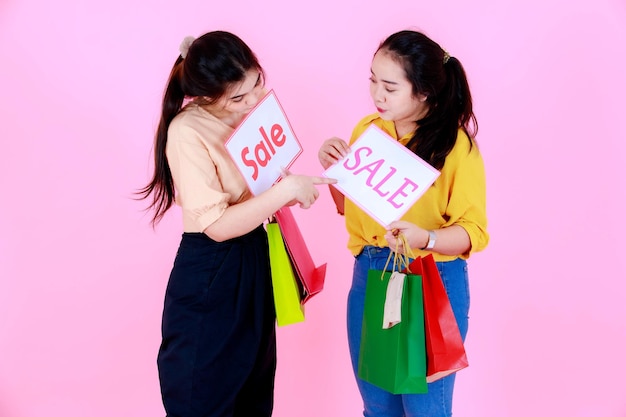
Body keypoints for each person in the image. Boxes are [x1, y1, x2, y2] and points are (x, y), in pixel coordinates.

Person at [138, 31, 336, 417]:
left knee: (253, 391)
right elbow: (216, 226)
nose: (254, 100)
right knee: (203, 393)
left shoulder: (249, 116)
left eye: (257, 83)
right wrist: (283, 192)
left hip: (254, 257)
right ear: (206, 96)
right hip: (212, 268)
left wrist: (289, 188)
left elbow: (257, 191)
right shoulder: (187, 131)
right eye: (238, 98)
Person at [318, 30, 489, 417]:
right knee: (377, 406)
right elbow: (350, 208)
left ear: (424, 92)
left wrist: (425, 237)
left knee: (425, 409)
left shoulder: (456, 148)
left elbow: (473, 232)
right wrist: (334, 172)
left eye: (390, 87)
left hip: (430, 280)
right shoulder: (368, 131)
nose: (377, 95)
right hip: (371, 272)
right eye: (373, 81)